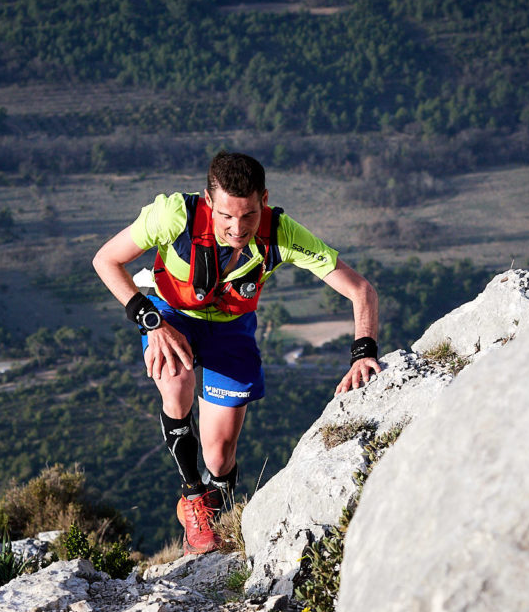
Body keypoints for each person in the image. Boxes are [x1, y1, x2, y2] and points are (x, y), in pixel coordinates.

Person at [92, 151, 381, 555]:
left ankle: (217, 499)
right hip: (172, 315)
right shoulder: (174, 216)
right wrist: (149, 320)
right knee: (176, 380)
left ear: (264, 199)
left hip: (231, 329)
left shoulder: (281, 232)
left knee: (221, 453)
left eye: (248, 215)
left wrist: (363, 351)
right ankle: (193, 496)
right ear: (209, 201)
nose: (237, 227)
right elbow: (105, 259)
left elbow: (360, 289)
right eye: (227, 216)